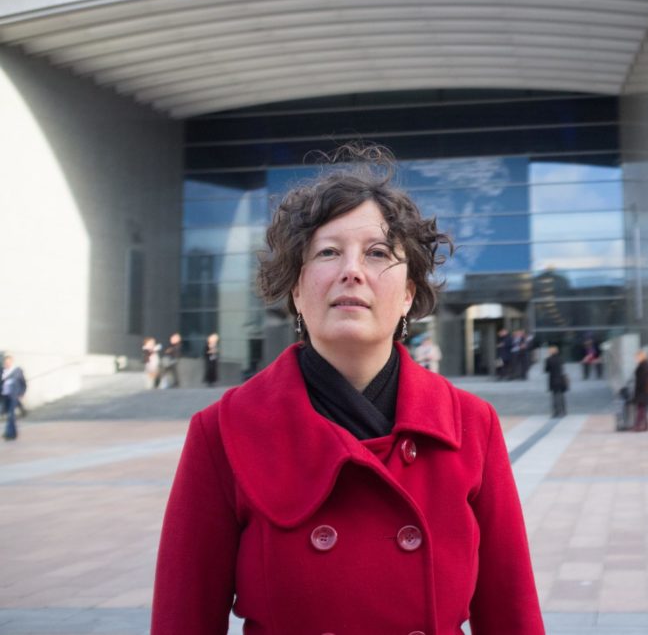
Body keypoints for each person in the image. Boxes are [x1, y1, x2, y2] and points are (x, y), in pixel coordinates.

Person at [152, 144, 543, 634]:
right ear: (296, 289)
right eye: (328, 252)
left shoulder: (472, 425)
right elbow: (181, 620)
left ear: (407, 295)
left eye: (377, 253)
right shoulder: (222, 432)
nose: (351, 270)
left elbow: (513, 614)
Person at [2, 354, 28, 441]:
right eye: (5, 362)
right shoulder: (2, 371)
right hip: (5, 396)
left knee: (10, 414)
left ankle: (8, 433)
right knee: (9, 415)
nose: (7, 364)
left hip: (14, 396)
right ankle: (14, 434)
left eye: (8, 362)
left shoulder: (17, 371)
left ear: (11, 362)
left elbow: (23, 383)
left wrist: (22, 393)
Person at [632, 349, 648, 432]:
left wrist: (640, 388)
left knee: (641, 409)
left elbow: (643, 379)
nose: (636, 358)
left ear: (641, 356)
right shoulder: (645, 365)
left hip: (642, 391)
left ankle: (637, 426)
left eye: (637, 357)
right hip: (644, 391)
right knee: (643, 409)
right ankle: (646, 425)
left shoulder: (643, 366)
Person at [544, 344, 568, 418]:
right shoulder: (560, 358)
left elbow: (546, 370)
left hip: (553, 379)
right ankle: (563, 411)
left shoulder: (548, 360)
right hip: (561, 378)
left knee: (554, 396)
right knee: (562, 396)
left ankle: (556, 412)